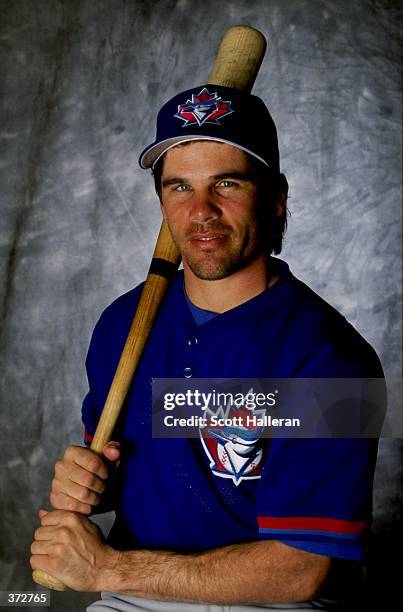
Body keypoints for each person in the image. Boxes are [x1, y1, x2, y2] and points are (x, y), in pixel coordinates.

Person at [30, 85, 384, 611]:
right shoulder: (121, 325)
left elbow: (302, 569)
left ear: (278, 196)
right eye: (179, 187)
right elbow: (131, 469)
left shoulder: (334, 360)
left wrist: (108, 567)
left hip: (272, 604)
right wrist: (89, 483)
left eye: (226, 183)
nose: (201, 211)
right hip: (133, 597)